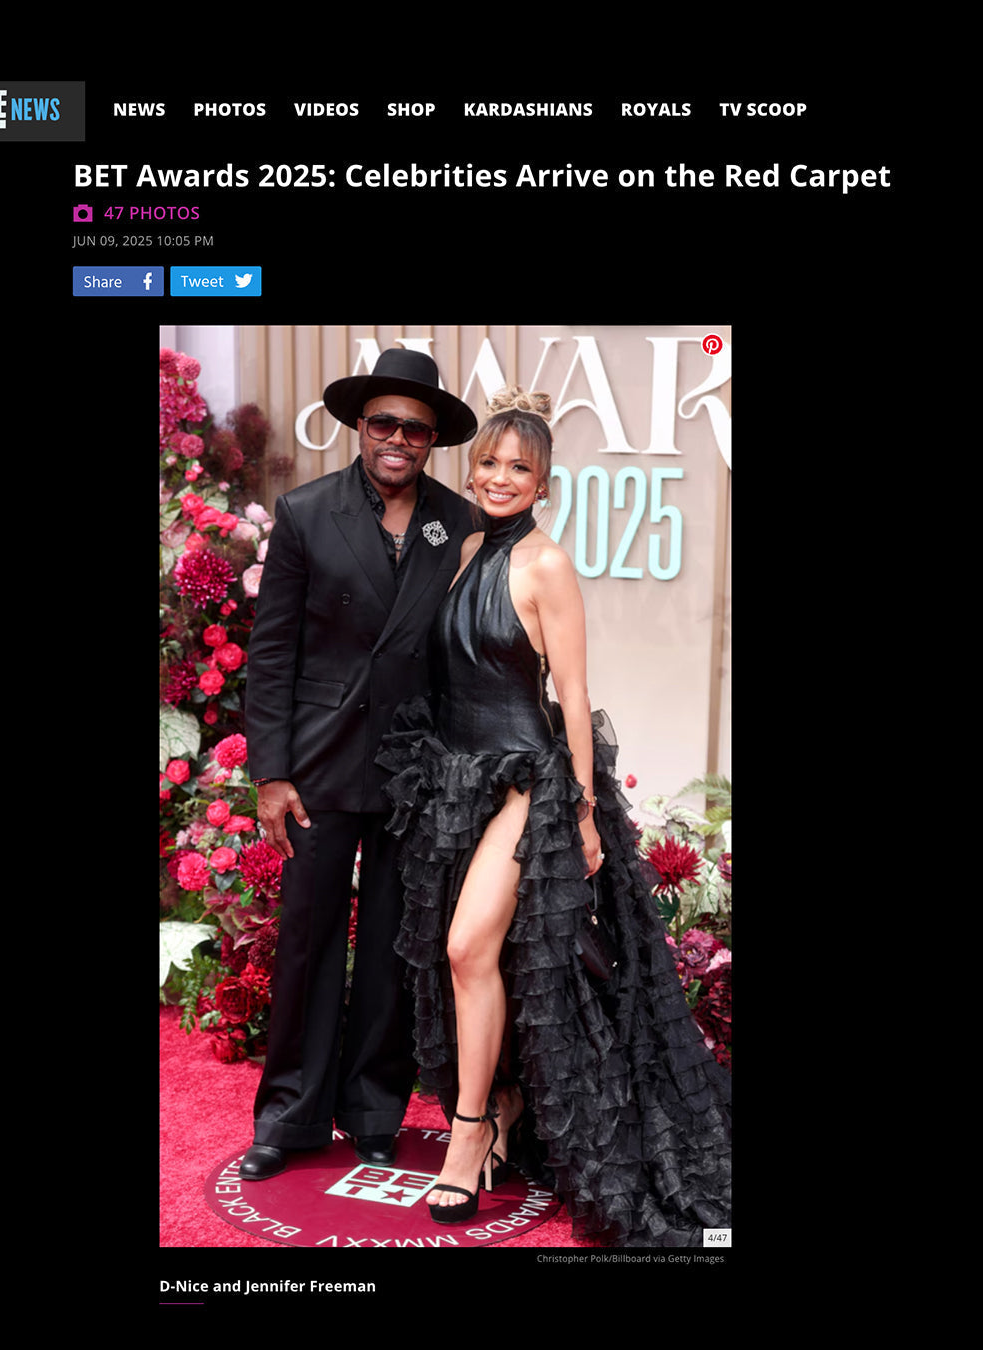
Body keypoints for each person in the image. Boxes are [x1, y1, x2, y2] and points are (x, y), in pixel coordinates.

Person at [378, 386, 731, 1245]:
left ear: (544, 484)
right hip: (453, 779)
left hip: (526, 784)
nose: (500, 478)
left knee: (469, 947)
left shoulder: (547, 564)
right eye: (490, 462)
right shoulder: (459, 547)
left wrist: (576, 812)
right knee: (462, 957)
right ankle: (499, 1099)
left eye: (520, 468)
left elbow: (572, 696)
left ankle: (468, 1138)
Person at [239, 347, 478, 1181]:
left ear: (433, 439)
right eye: (384, 422)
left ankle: (374, 1110)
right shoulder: (306, 513)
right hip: (317, 766)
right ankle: (289, 1117)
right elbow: (271, 656)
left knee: (389, 945)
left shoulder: (460, 522)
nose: (398, 439)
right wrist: (271, 771)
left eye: (415, 428)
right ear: (358, 426)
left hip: (415, 769)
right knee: (306, 942)